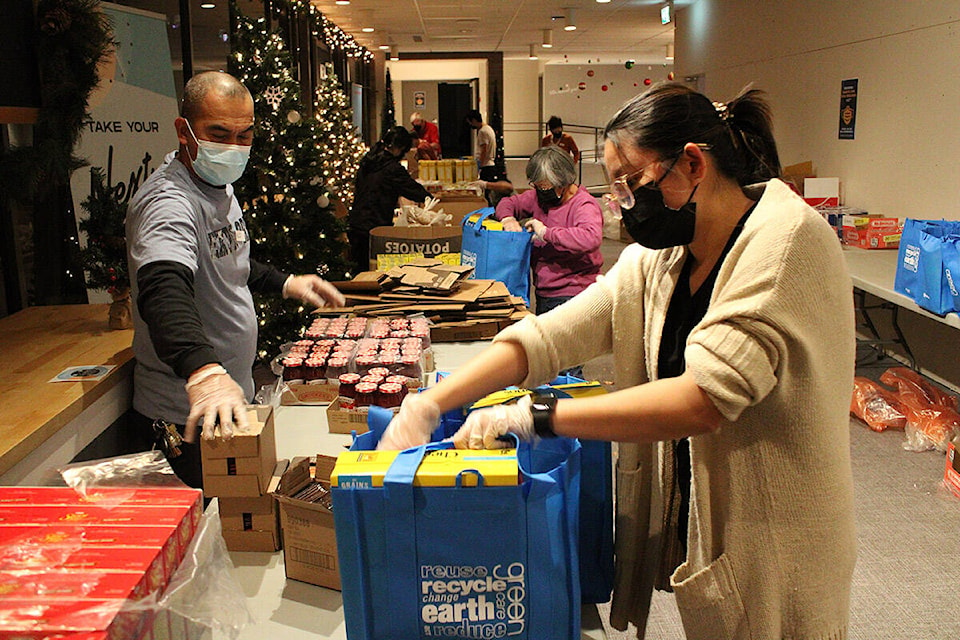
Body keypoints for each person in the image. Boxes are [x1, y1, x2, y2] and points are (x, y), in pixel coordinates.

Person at [378, 83, 857, 640]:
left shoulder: (786, 243)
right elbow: (548, 336)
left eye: (631, 181)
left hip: (778, 537)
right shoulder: (666, 257)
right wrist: (433, 401)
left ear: (692, 165)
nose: (623, 202)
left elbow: (701, 399)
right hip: (709, 517)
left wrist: (533, 416)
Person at [126, 71, 345, 490]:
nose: (233, 147)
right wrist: (204, 371)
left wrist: (285, 282)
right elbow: (162, 287)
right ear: (183, 131)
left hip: (232, 403)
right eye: (219, 133)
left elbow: (228, 257)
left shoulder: (217, 184)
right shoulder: (168, 204)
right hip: (187, 416)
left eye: (244, 135)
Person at [494, 146, 602, 377]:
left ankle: (573, 408)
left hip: (574, 292)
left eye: (546, 186)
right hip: (545, 292)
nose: (541, 192)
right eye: (538, 186)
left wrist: (547, 233)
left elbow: (590, 237)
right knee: (550, 360)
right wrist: (508, 218)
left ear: (563, 181)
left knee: (567, 364)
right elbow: (508, 203)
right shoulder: (538, 198)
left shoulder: (584, 205)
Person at [348, 126, 433, 273]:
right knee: (374, 272)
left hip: (357, 222)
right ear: (399, 148)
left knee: (359, 271)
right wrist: (430, 197)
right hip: (375, 225)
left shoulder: (368, 161)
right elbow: (412, 189)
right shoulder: (392, 168)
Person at [465, 109, 498, 183]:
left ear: (473, 120)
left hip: (486, 166)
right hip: (490, 165)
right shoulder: (489, 129)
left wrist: (479, 167)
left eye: (470, 122)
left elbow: (484, 150)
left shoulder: (482, 131)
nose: (470, 125)